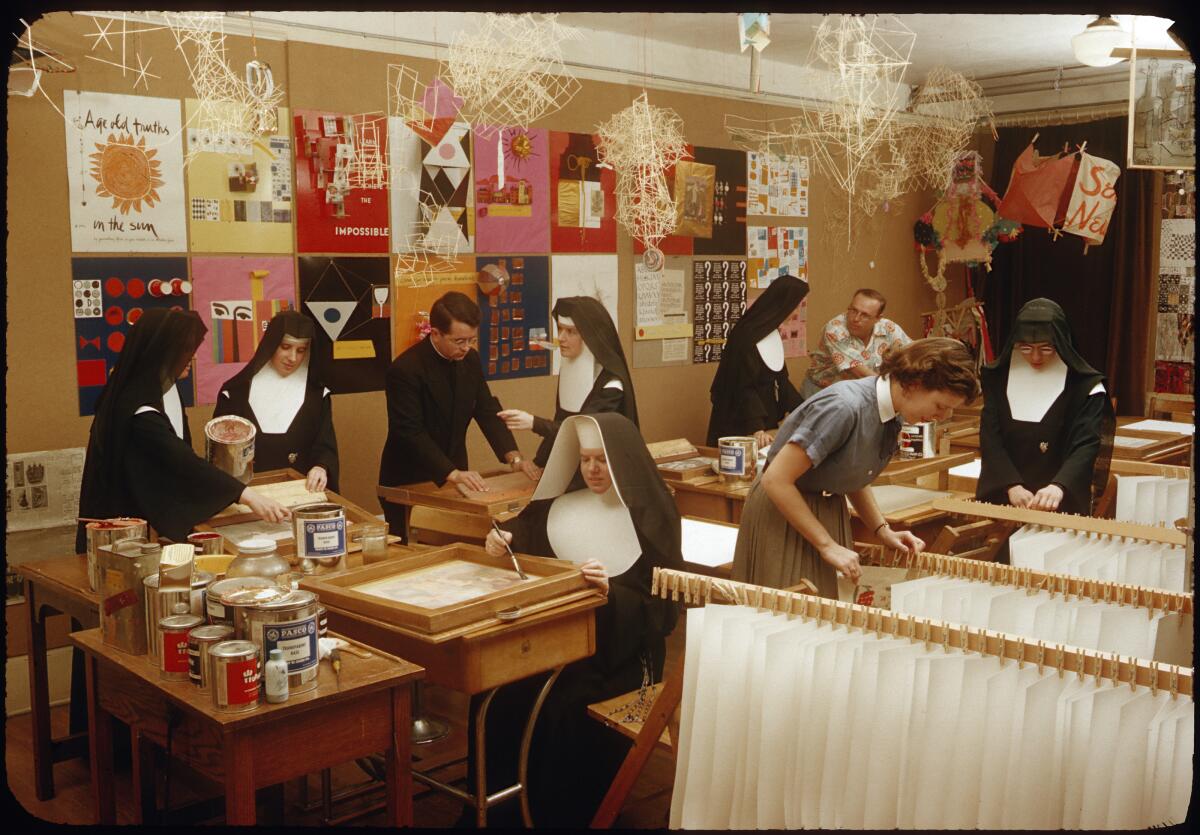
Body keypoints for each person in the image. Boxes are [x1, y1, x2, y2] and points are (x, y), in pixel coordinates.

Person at [476, 413, 682, 827]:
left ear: (623, 461)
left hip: (619, 657)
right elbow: (524, 528)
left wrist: (613, 595)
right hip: (555, 646)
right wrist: (502, 537)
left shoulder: (652, 517)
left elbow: (662, 613)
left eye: (602, 460)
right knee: (493, 699)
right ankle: (501, 814)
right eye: (585, 459)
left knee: (560, 711)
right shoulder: (557, 506)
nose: (591, 469)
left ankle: (558, 818)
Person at [733, 338, 980, 597]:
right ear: (913, 383)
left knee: (824, 611)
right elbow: (776, 479)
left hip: (823, 509)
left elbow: (854, 472)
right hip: (785, 509)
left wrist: (882, 530)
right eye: (940, 406)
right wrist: (827, 545)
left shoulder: (892, 410)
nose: (940, 417)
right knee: (788, 612)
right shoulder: (845, 406)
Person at [76, 308, 291, 553]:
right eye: (185, 353)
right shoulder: (136, 407)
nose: (191, 359)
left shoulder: (165, 390)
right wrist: (246, 495)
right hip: (125, 531)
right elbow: (180, 460)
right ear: (162, 355)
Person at [378, 291, 540, 539]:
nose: (466, 348)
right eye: (459, 341)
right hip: (409, 477)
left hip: (456, 475)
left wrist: (514, 458)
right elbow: (409, 432)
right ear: (435, 333)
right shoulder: (405, 369)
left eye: (472, 340)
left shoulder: (470, 360)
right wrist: (451, 473)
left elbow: (486, 409)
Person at [976, 297, 1115, 519]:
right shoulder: (997, 378)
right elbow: (990, 437)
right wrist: (1011, 485)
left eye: (1046, 348)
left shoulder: (1085, 386)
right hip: (1007, 498)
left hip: (1059, 498)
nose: (1035, 357)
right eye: (1026, 348)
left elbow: (1086, 444)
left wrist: (1059, 486)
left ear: (1061, 343)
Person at [497, 295, 638, 466]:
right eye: (560, 329)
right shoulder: (569, 372)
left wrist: (533, 423)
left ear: (589, 336)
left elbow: (579, 431)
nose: (561, 338)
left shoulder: (612, 385)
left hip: (598, 470)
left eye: (571, 331)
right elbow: (561, 423)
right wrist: (539, 463)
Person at [213, 310, 339, 493]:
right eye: (285, 347)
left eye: (301, 350)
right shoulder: (234, 394)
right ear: (271, 345)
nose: (293, 358)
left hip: (301, 495)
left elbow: (325, 445)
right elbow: (219, 459)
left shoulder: (318, 396)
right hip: (249, 498)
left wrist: (321, 467)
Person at [706, 275, 809, 448]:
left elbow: (780, 379)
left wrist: (804, 410)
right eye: (796, 306)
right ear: (783, 304)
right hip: (740, 420)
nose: (796, 312)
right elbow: (744, 386)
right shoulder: (746, 335)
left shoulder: (770, 332)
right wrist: (756, 427)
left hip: (763, 421)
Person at [801, 288, 911, 399]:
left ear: (878, 318)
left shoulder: (888, 328)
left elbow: (913, 354)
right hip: (822, 391)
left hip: (862, 390)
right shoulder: (835, 329)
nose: (855, 319)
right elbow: (861, 373)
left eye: (864, 315)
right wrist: (896, 391)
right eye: (853, 310)